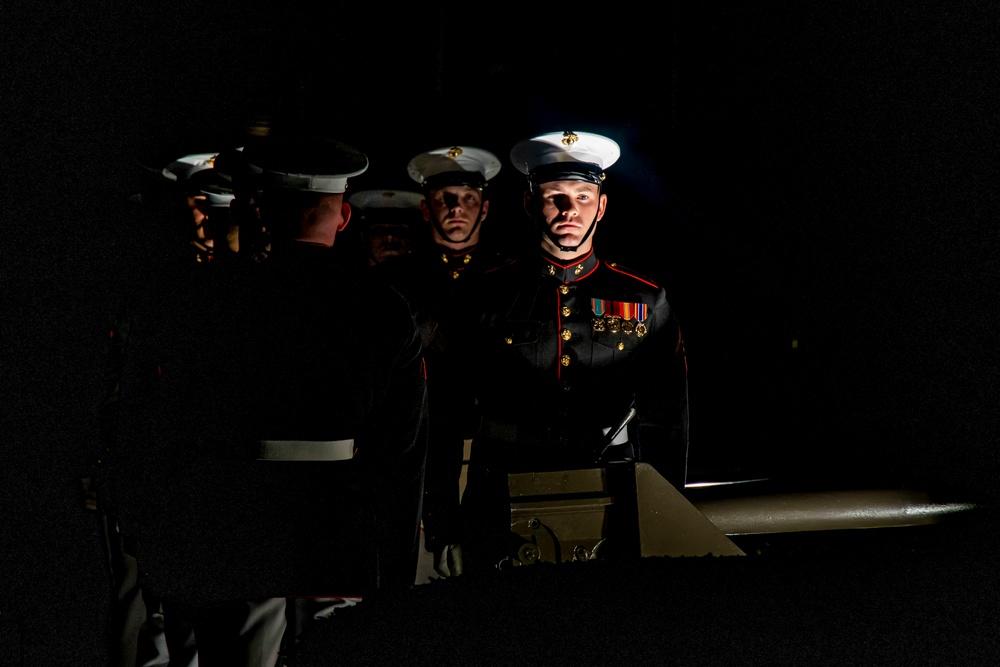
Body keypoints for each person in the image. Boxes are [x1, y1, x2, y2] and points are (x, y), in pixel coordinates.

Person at [107, 133, 428, 665]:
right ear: (344, 217)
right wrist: (393, 571)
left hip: (234, 535)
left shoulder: (206, 301)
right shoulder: (384, 310)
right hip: (339, 540)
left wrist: (165, 542)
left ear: (267, 210)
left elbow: (156, 425)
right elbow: (402, 452)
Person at [461, 130, 690, 567]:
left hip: (610, 482)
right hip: (505, 478)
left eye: (584, 196)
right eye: (555, 196)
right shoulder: (485, 294)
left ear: (601, 207)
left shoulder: (643, 297)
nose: (570, 209)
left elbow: (667, 414)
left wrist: (668, 506)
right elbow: (447, 401)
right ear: (529, 203)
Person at [371, 146, 510, 580]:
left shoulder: (511, 276)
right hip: (416, 440)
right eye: (444, 198)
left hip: (489, 441)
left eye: (467, 198)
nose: (455, 208)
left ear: (485, 209)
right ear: (425, 208)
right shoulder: (392, 282)